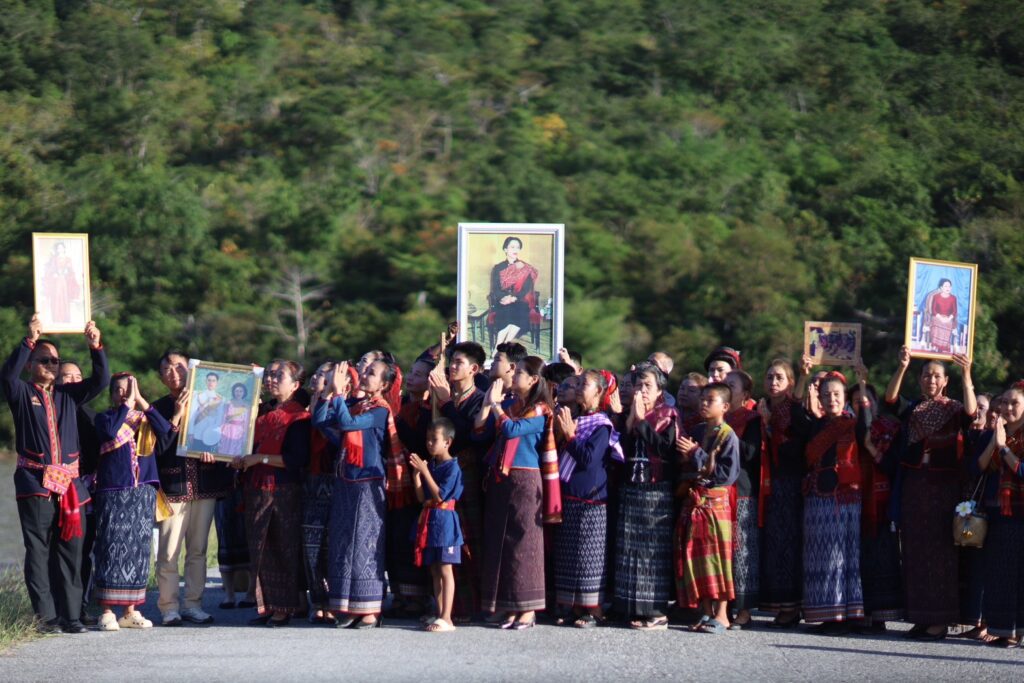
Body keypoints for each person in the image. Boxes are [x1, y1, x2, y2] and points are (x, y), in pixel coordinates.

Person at [1, 315, 108, 634]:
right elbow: (6, 375)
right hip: (35, 483)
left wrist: (95, 346)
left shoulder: (68, 396)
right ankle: (46, 618)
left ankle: (71, 616)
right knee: (38, 551)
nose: (51, 365)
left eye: (55, 361)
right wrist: (29, 339)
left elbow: (101, 380)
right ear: (31, 364)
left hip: (71, 486)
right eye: (44, 360)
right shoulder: (21, 393)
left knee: (72, 552)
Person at [884, 345, 977, 640]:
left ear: (945, 381)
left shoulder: (954, 409)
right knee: (914, 551)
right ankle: (921, 617)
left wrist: (966, 373)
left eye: (937, 375)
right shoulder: (914, 409)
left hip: (943, 487)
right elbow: (890, 400)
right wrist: (902, 366)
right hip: (915, 485)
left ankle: (940, 621)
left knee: (940, 553)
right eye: (926, 375)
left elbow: (972, 413)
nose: (931, 380)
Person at [314, 358, 403, 628]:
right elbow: (321, 421)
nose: (364, 375)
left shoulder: (380, 410)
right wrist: (327, 393)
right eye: (365, 371)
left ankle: (370, 609)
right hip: (346, 480)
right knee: (344, 543)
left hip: (368, 483)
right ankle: (349, 606)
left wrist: (338, 394)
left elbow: (348, 424)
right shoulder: (356, 405)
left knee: (366, 544)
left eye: (372, 373)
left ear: (384, 385)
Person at [476, 356, 562, 629]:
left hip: (526, 480)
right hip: (503, 477)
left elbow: (512, 430)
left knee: (525, 543)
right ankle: (509, 606)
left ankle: (528, 609)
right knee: (503, 542)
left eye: (519, 372)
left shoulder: (541, 410)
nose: (513, 375)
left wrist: (495, 406)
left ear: (534, 379)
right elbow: (480, 430)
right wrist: (490, 404)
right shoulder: (513, 405)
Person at [153, 350, 233, 626]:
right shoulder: (157, 408)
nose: (173, 373)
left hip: (205, 484)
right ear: (161, 377)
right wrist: (176, 417)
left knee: (197, 550)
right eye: (167, 369)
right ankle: (168, 607)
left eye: (179, 367)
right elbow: (155, 450)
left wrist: (216, 452)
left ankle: (193, 604)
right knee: (168, 551)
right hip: (173, 486)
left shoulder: (212, 403)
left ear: (192, 371)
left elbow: (227, 438)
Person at [92, 374, 176, 631]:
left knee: (138, 551)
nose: (124, 394)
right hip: (113, 491)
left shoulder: (145, 420)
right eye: (119, 390)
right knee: (110, 548)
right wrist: (127, 406)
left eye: (129, 390)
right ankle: (107, 611)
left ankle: (130, 611)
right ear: (111, 395)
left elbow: (167, 434)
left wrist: (141, 401)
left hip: (142, 493)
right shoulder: (105, 418)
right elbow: (109, 433)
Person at [232, 360, 309, 627]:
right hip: (255, 488)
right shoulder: (261, 412)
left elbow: (296, 460)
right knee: (260, 548)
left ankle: (283, 608)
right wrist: (240, 459)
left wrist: (259, 459)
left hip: (283, 491)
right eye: (270, 374)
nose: (272, 379)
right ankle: (267, 606)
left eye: (279, 375)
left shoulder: (299, 418)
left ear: (295, 385)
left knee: (282, 547)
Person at [794, 369, 870, 634]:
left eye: (836, 394)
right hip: (818, 497)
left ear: (845, 397)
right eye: (826, 395)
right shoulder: (815, 425)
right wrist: (803, 377)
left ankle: (844, 615)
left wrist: (862, 384)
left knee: (842, 557)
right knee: (820, 557)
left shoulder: (853, 423)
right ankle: (828, 614)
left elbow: (867, 427)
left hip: (844, 497)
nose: (832, 399)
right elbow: (796, 418)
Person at [553, 370, 623, 628]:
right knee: (569, 554)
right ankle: (571, 606)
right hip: (569, 495)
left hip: (591, 498)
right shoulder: (577, 419)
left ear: (599, 392)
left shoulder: (602, 425)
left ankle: (593, 610)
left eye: (585, 384)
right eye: (578, 383)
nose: (579, 387)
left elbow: (588, 459)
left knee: (589, 557)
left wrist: (570, 436)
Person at [613, 362, 678, 630]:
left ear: (660, 389)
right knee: (630, 549)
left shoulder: (668, 413)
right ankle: (631, 607)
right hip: (631, 488)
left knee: (652, 551)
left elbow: (666, 449)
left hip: (655, 490)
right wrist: (629, 419)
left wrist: (641, 422)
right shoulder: (631, 412)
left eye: (648, 385)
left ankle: (656, 611)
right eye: (638, 385)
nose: (642, 390)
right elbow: (621, 450)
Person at [429, 341, 488, 620]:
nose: (452, 367)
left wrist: (445, 404)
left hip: (467, 475)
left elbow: (467, 434)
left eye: (459, 363)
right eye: (451, 361)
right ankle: (449, 608)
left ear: (474, 369)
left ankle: (472, 606)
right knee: (444, 539)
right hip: (442, 474)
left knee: (468, 538)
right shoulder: (446, 395)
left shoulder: (480, 398)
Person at [675, 383, 740, 634]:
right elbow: (688, 466)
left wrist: (696, 453)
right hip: (696, 500)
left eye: (710, 400)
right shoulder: (698, 430)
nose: (703, 403)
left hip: (715, 503)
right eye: (702, 398)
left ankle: (722, 615)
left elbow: (725, 475)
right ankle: (705, 612)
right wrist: (688, 459)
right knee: (697, 558)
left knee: (718, 560)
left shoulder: (728, 436)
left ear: (725, 406)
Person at [757, 357, 810, 628]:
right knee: (774, 544)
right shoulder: (761, 407)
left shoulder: (794, 409)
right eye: (769, 377)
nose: (773, 382)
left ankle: (791, 607)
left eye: (779, 377)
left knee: (789, 543)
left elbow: (799, 447)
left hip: (790, 483)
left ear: (790, 382)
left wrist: (769, 427)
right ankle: (779, 605)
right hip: (769, 483)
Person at [849, 381, 904, 633]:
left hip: (881, 503)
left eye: (866, 400)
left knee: (882, 558)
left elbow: (894, 465)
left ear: (876, 402)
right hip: (854, 500)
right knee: (858, 558)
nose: (862, 405)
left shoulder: (890, 428)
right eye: (856, 402)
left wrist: (872, 448)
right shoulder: (846, 427)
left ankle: (880, 615)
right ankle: (860, 613)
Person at [976, 384, 1024, 647]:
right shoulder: (1002, 433)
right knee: (1001, 572)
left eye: (1014, 403)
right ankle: (1005, 630)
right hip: (999, 511)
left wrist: (1004, 448)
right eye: (1004, 402)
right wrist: (997, 440)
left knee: (1018, 573)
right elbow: (981, 466)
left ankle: (1016, 631)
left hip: (1020, 510)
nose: (1007, 407)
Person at [408, 418, 464, 632]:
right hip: (430, 520)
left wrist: (425, 471)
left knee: (445, 568)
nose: (429, 444)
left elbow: (441, 496)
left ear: (447, 442)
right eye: (427, 440)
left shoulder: (453, 467)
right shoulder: (432, 465)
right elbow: (422, 498)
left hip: (445, 522)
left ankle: (447, 617)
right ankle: (440, 613)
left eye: (434, 439)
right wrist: (417, 476)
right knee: (434, 569)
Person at [57, 360, 101, 626]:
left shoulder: (93, 417)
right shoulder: (48, 412)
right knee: (55, 550)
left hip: (85, 491)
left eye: (77, 376)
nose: (73, 381)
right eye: (67, 376)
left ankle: (81, 607)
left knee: (84, 551)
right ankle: (55, 611)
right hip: (55, 488)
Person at [723, 369, 762, 629]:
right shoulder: (718, 417)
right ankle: (722, 606)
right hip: (720, 490)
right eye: (725, 384)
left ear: (745, 394)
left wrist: (726, 434)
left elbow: (750, 452)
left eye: (732, 385)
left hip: (743, 490)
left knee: (742, 551)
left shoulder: (751, 419)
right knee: (723, 550)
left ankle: (744, 608)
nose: (726, 388)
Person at [304, 362, 339, 624]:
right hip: (309, 481)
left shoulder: (340, 405)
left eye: (325, 377)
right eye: (317, 374)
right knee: (311, 544)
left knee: (332, 544)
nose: (318, 379)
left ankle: (334, 600)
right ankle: (317, 600)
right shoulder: (303, 407)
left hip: (335, 480)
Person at [489, 236, 539, 350]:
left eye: (518, 247)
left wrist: (513, 298)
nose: (515, 249)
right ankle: (499, 346)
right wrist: (504, 298)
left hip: (519, 300)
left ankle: (500, 347)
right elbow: (495, 288)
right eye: (512, 247)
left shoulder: (525, 267)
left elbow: (527, 288)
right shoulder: (498, 268)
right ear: (505, 249)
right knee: (506, 313)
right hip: (502, 301)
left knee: (519, 311)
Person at [41, 242, 80, 324]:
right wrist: (54, 274)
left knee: (65, 299)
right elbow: (49, 271)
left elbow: (71, 272)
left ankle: (65, 319)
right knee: (56, 300)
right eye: (58, 248)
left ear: (64, 249)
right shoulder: (53, 259)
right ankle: (56, 319)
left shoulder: (68, 259)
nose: (60, 250)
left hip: (65, 283)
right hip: (56, 283)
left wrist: (67, 272)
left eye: (61, 248)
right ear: (56, 249)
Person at [925, 278, 958, 354]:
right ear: (941, 287)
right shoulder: (936, 297)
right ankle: (935, 346)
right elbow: (933, 310)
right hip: (937, 316)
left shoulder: (953, 298)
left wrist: (948, 319)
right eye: (945, 286)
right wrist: (941, 318)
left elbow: (954, 311)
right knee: (937, 322)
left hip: (948, 318)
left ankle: (942, 347)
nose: (947, 288)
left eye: (949, 286)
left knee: (947, 323)